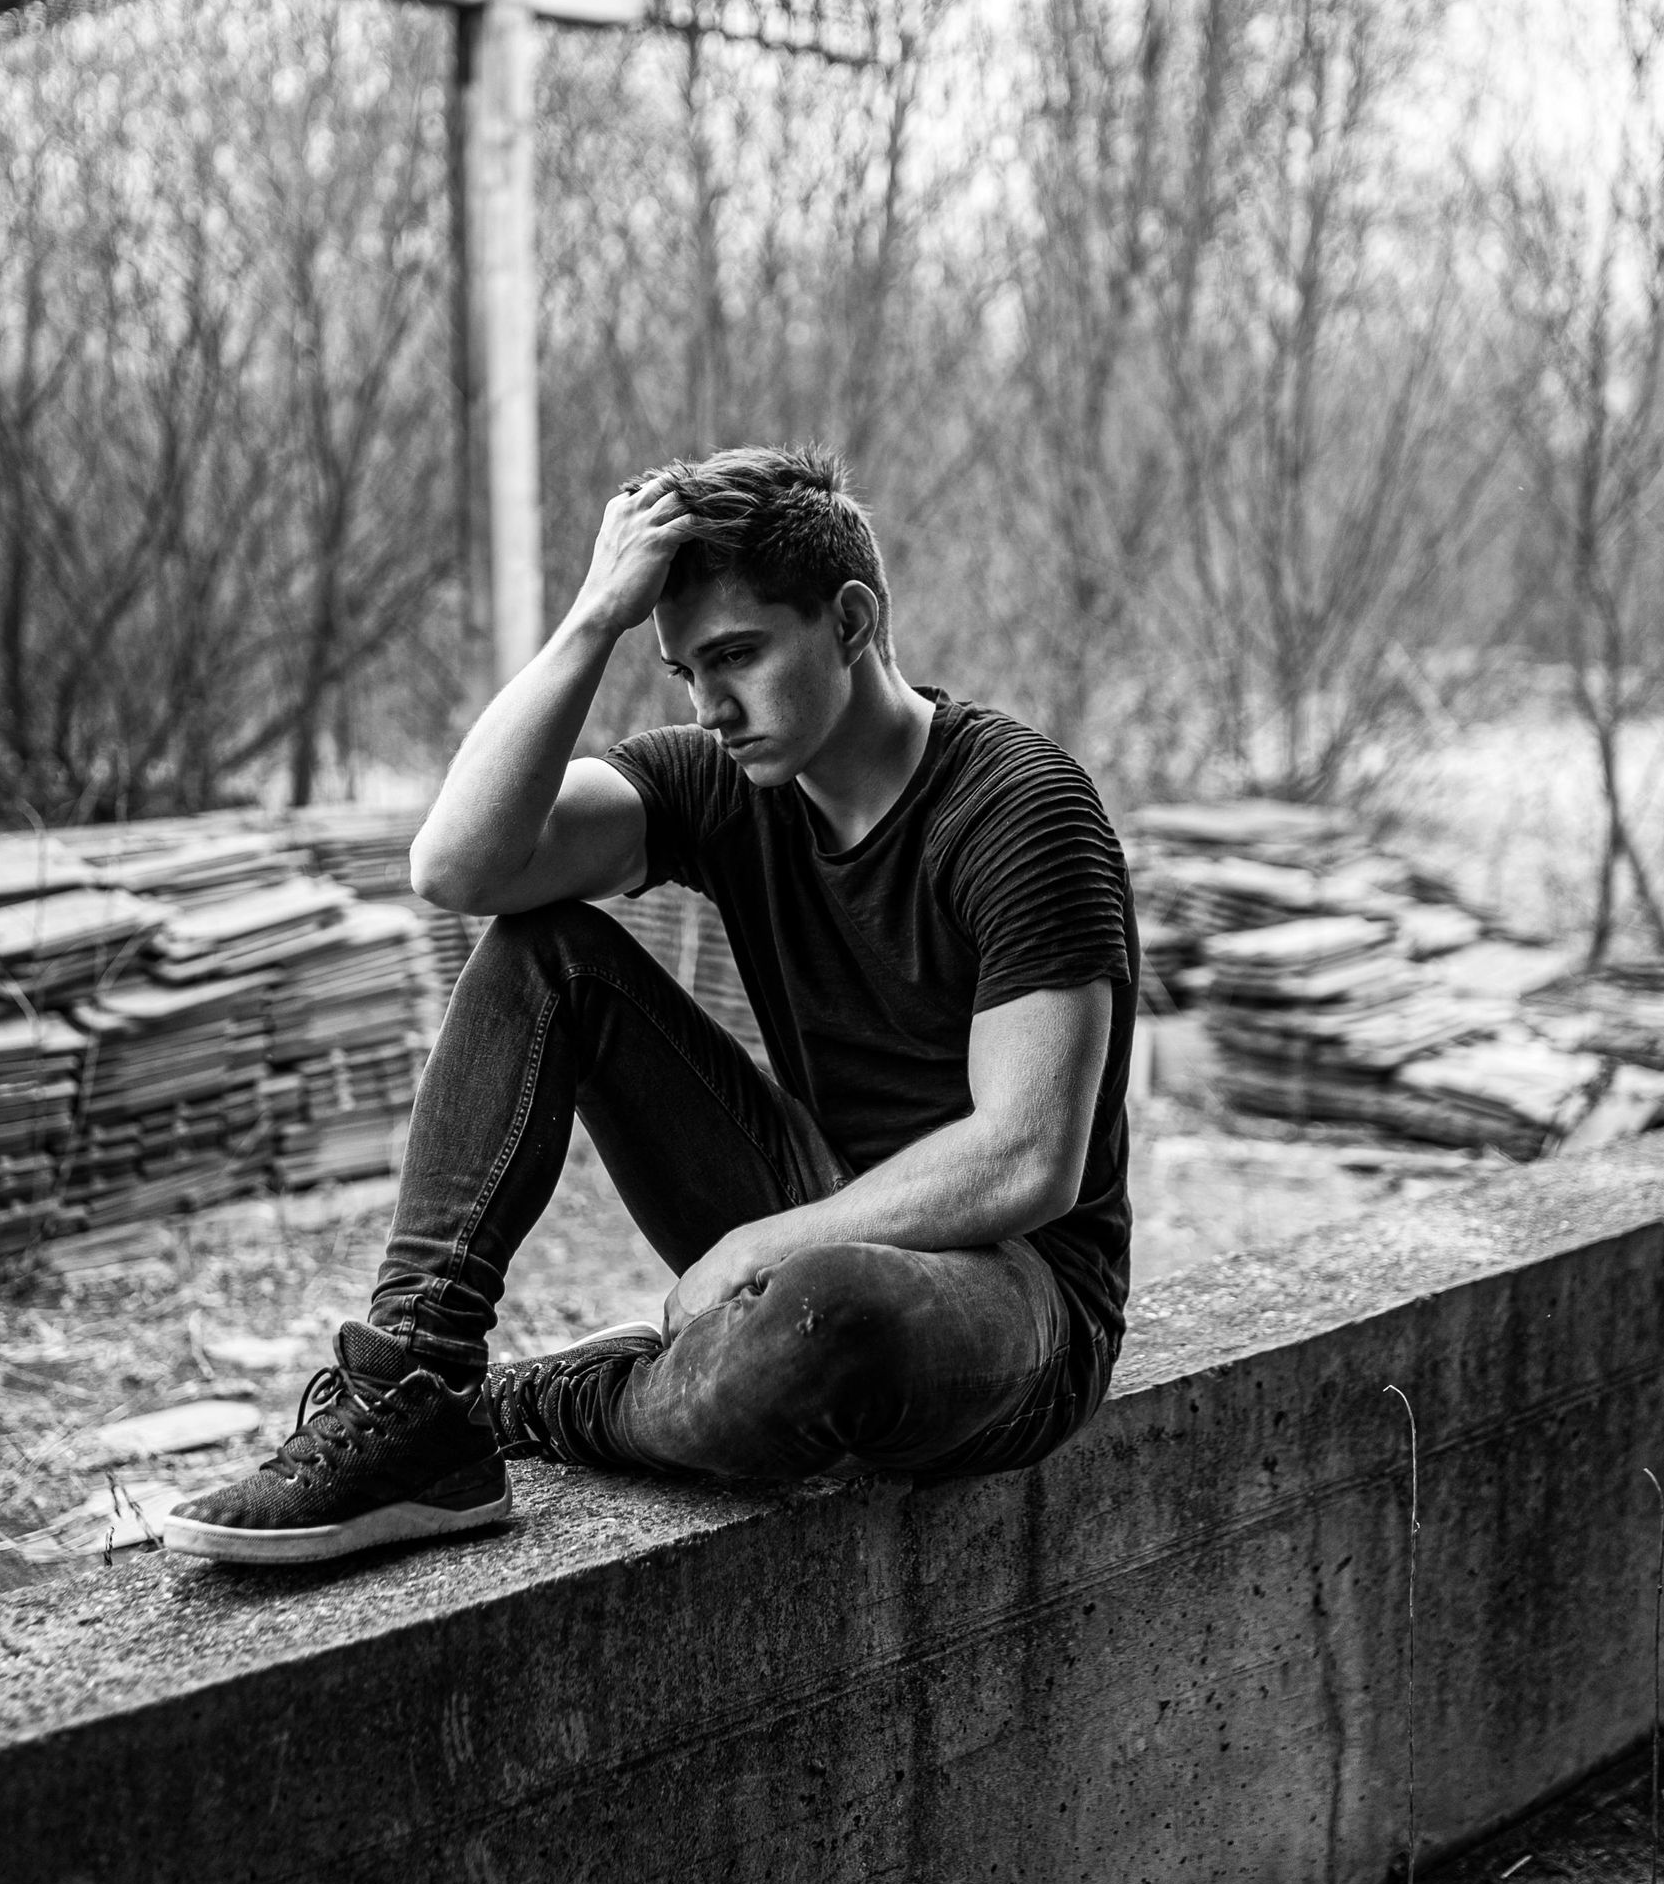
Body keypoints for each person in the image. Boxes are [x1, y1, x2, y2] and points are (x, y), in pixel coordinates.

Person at [164, 445, 1138, 1566]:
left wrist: (763, 1246)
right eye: (683, 674)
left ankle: (551, 1406)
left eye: (738, 656)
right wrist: (591, 621)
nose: (713, 706)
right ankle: (416, 1390)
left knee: (821, 1322)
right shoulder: (727, 782)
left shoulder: (1022, 808)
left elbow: (1025, 1159)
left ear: (853, 621)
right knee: (547, 950)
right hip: (814, 1205)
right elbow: (459, 869)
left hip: (1017, 1300)